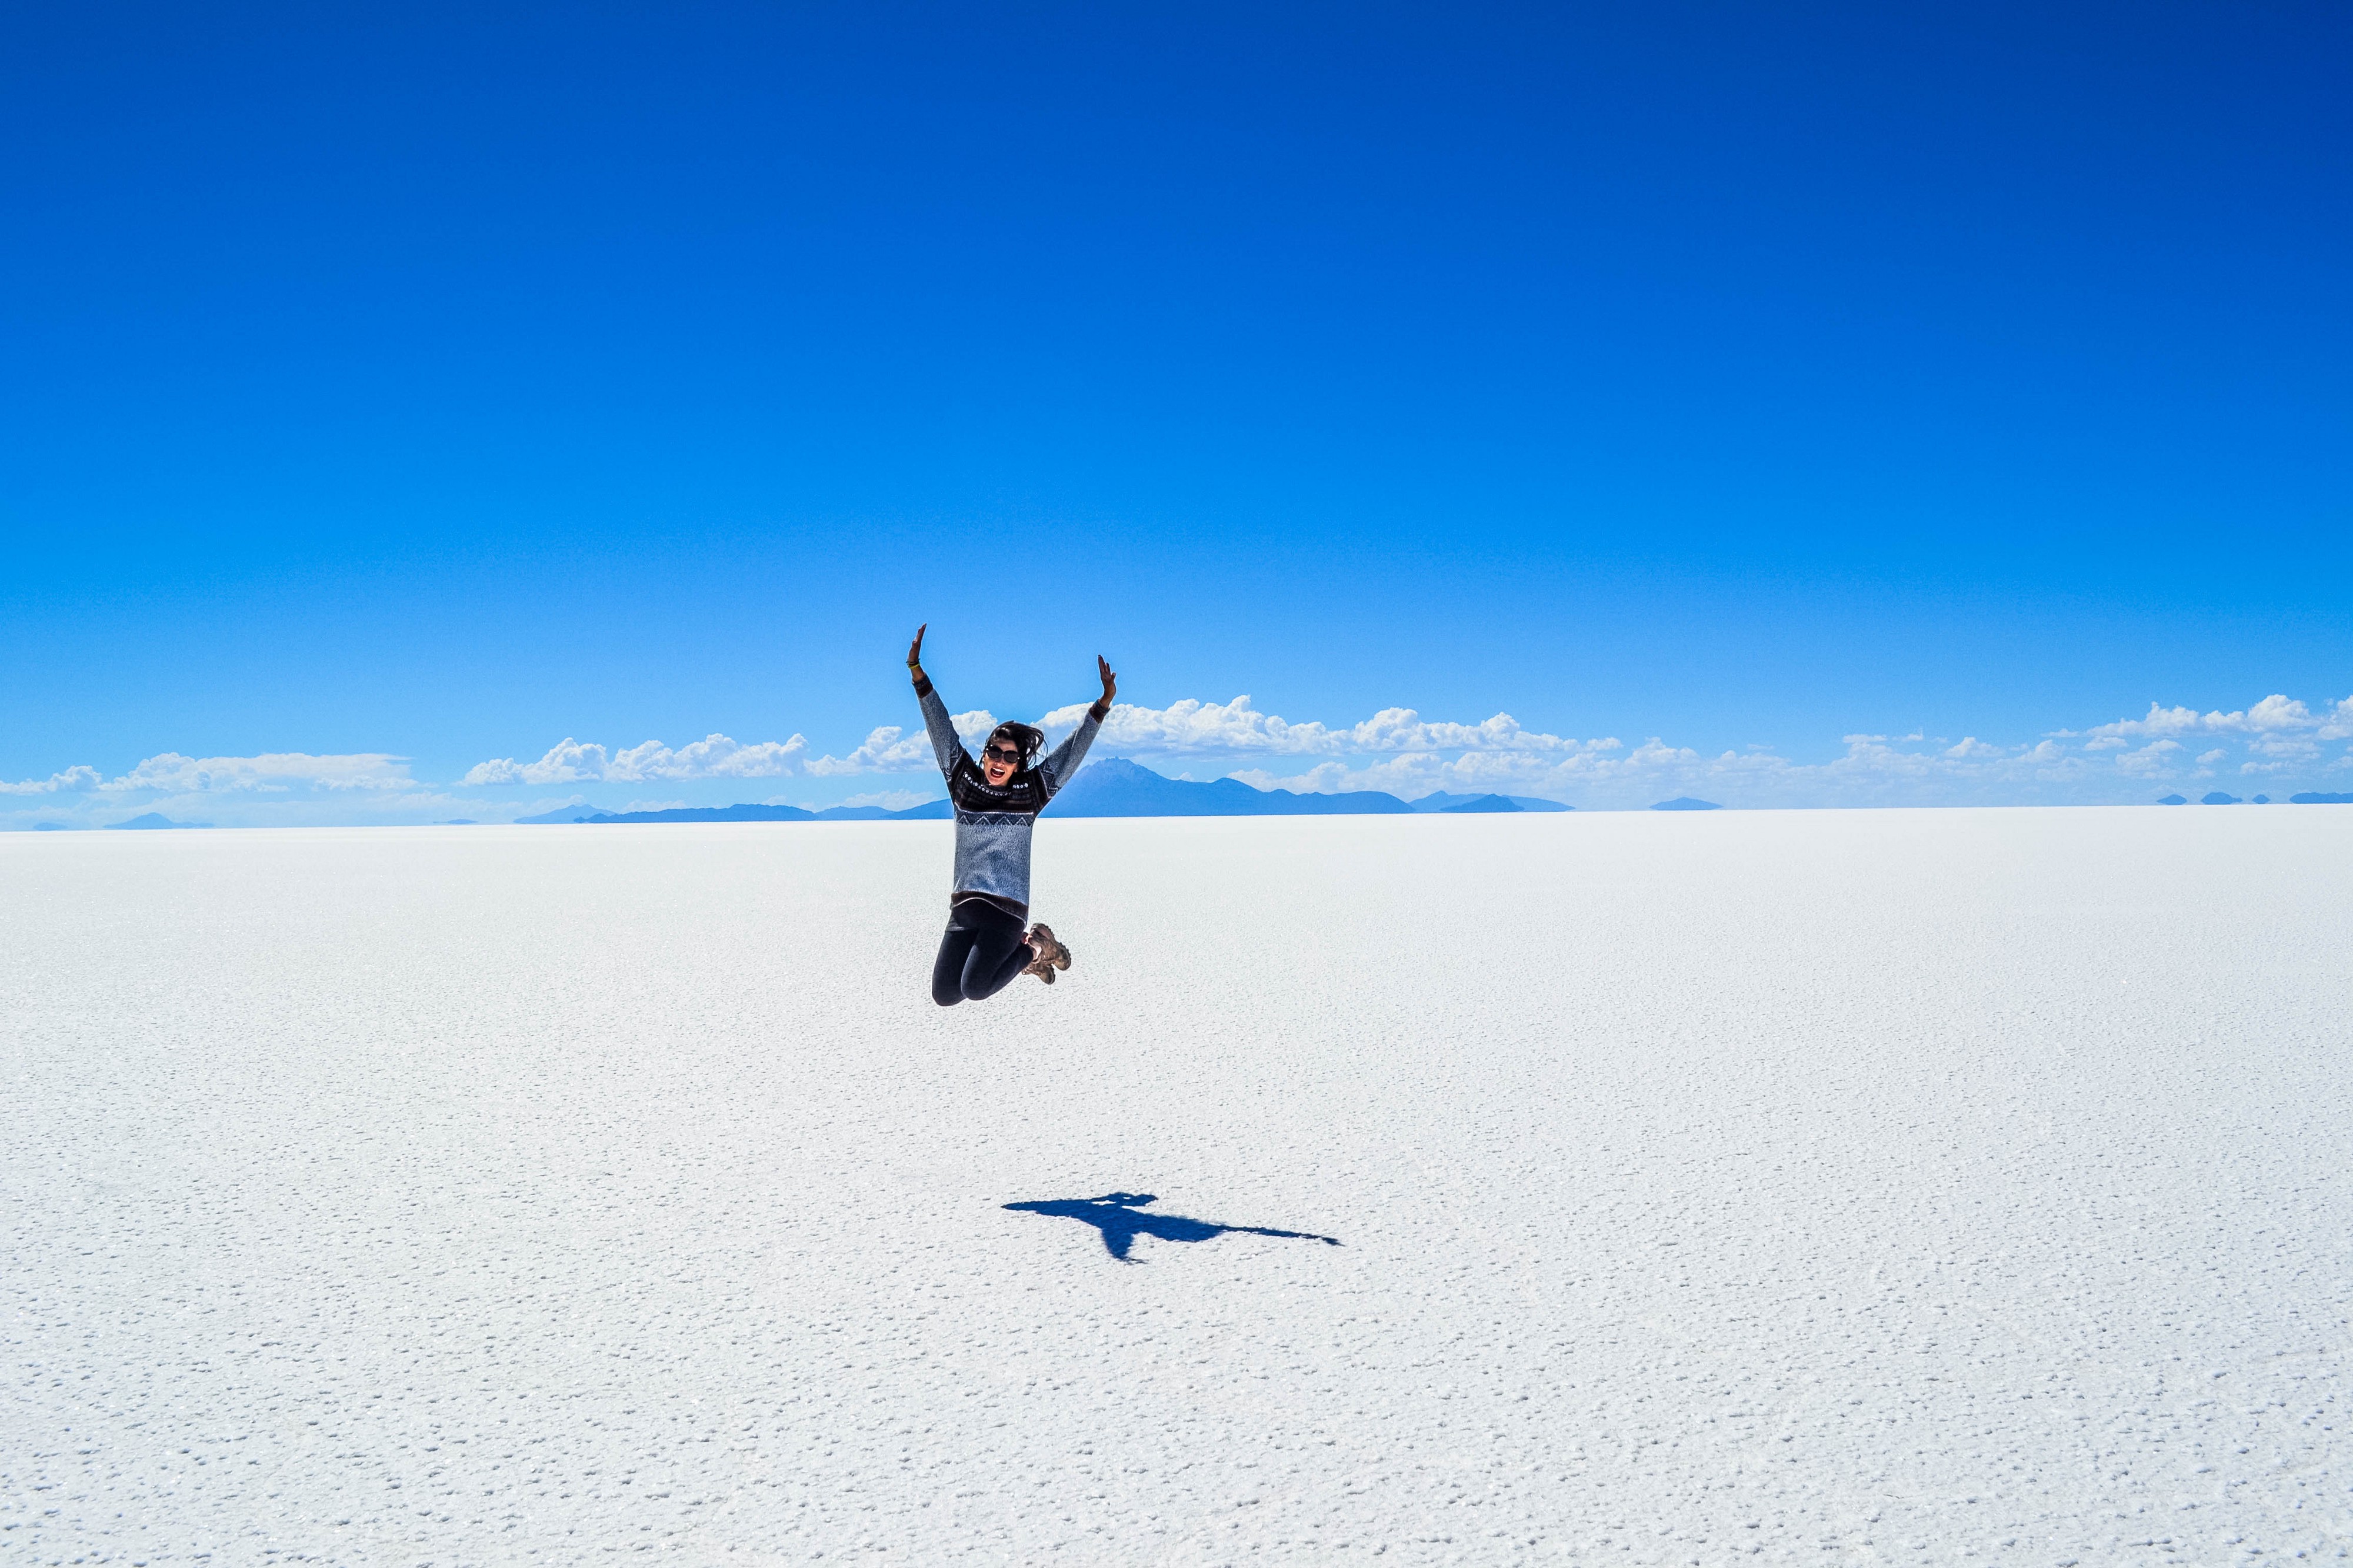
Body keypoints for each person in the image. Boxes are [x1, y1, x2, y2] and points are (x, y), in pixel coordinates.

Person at [907, 624, 1115, 1006]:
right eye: (995, 752)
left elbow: (1070, 755)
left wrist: (1101, 706)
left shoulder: (1028, 794)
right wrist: (918, 673)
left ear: (1018, 764)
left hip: (1007, 911)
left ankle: (1035, 950)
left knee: (976, 988)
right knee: (945, 995)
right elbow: (941, 730)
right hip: (965, 907)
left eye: (1010, 756)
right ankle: (1027, 959)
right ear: (984, 754)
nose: (1000, 761)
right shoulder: (963, 783)